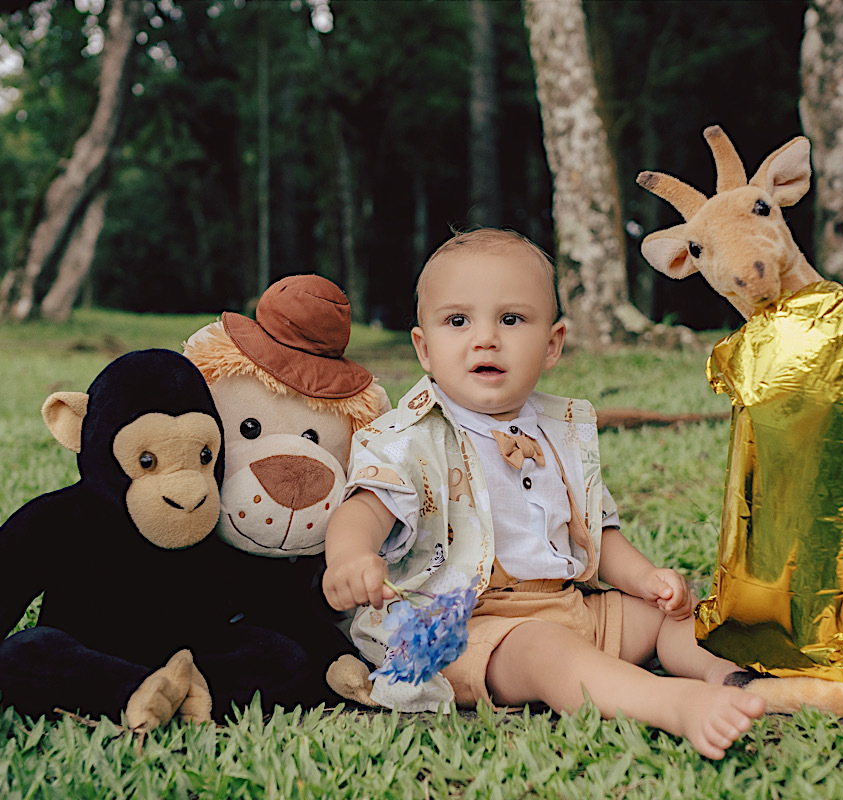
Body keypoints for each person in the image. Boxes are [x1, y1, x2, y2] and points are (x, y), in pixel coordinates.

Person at [322, 228, 765, 759]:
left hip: (566, 604)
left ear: (552, 343)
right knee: (547, 652)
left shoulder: (562, 433)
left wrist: (646, 578)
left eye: (511, 319)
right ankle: (671, 704)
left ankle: (728, 678)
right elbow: (364, 508)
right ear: (424, 347)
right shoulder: (411, 437)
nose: (485, 338)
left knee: (671, 616)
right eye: (458, 321)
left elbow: (599, 532)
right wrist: (351, 558)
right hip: (468, 630)